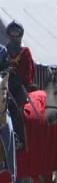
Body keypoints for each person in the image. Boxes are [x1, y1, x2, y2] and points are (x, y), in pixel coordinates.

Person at [0, 21, 33, 150]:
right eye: (12, 32)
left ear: (20, 34)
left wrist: (16, 79)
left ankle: (18, 139)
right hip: (4, 84)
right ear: (8, 34)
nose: (14, 35)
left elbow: (28, 70)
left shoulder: (25, 52)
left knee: (15, 108)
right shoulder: (3, 50)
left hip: (19, 87)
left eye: (16, 32)